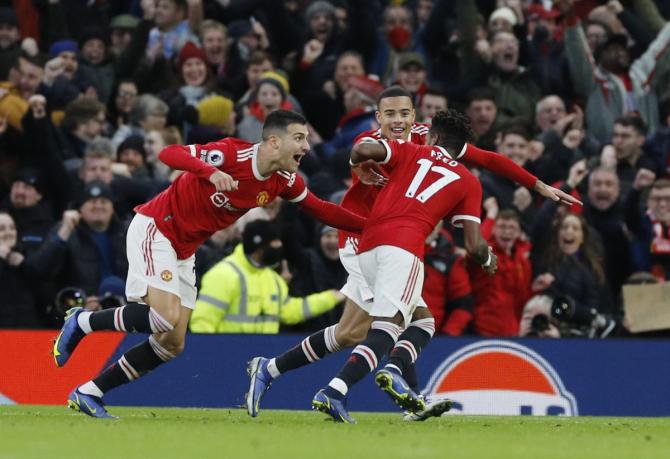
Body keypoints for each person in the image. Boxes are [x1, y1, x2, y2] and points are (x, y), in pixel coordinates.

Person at [244, 89, 579, 420]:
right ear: (378, 117)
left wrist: (537, 185)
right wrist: (357, 165)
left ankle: (274, 369)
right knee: (393, 323)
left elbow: (491, 159)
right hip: (361, 237)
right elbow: (359, 153)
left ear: (415, 117)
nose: (398, 121)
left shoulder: (421, 141)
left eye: (404, 113)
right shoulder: (375, 142)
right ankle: (344, 389)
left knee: (367, 328)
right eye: (389, 114)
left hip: (387, 240)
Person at [52, 110, 366, 419]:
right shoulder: (230, 154)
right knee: (163, 316)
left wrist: (371, 226)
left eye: (307, 140)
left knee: (171, 343)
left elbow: (323, 209)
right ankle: (82, 322)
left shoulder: (283, 181)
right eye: (299, 138)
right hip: (156, 227)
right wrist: (209, 171)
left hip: (183, 250)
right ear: (274, 141)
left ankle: (89, 392)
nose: (306, 147)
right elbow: (169, 153)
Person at [309, 109, 497, 423]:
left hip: (366, 246)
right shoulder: (468, 181)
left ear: (433, 137)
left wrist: (361, 164)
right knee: (387, 328)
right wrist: (489, 259)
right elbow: (474, 246)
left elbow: (364, 149)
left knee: (421, 321)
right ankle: (335, 390)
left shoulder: (411, 150)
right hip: (404, 247)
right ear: (461, 146)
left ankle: (406, 390)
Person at [189, 219, 344, 333]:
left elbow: (290, 311)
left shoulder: (273, 279)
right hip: (227, 357)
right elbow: (202, 323)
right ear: (259, 247)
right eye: (274, 243)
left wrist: (331, 297)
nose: (278, 248)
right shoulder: (223, 275)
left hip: (262, 360)